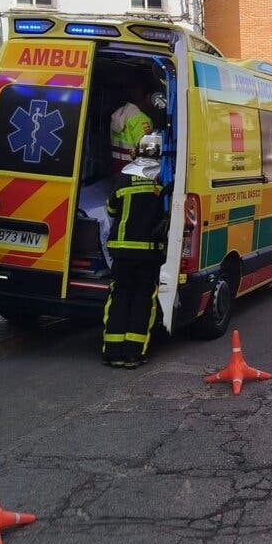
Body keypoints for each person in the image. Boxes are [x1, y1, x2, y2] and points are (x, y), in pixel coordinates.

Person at [101, 134, 167, 368]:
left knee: (119, 297)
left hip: (121, 251)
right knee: (142, 300)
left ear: (137, 151)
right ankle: (133, 354)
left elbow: (110, 209)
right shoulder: (164, 178)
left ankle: (112, 351)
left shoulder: (124, 176)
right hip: (149, 253)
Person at [109, 86, 154, 173]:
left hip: (117, 168)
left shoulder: (117, 114)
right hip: (135, 172)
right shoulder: (142, 119)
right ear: (146, 98)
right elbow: (148, 154)